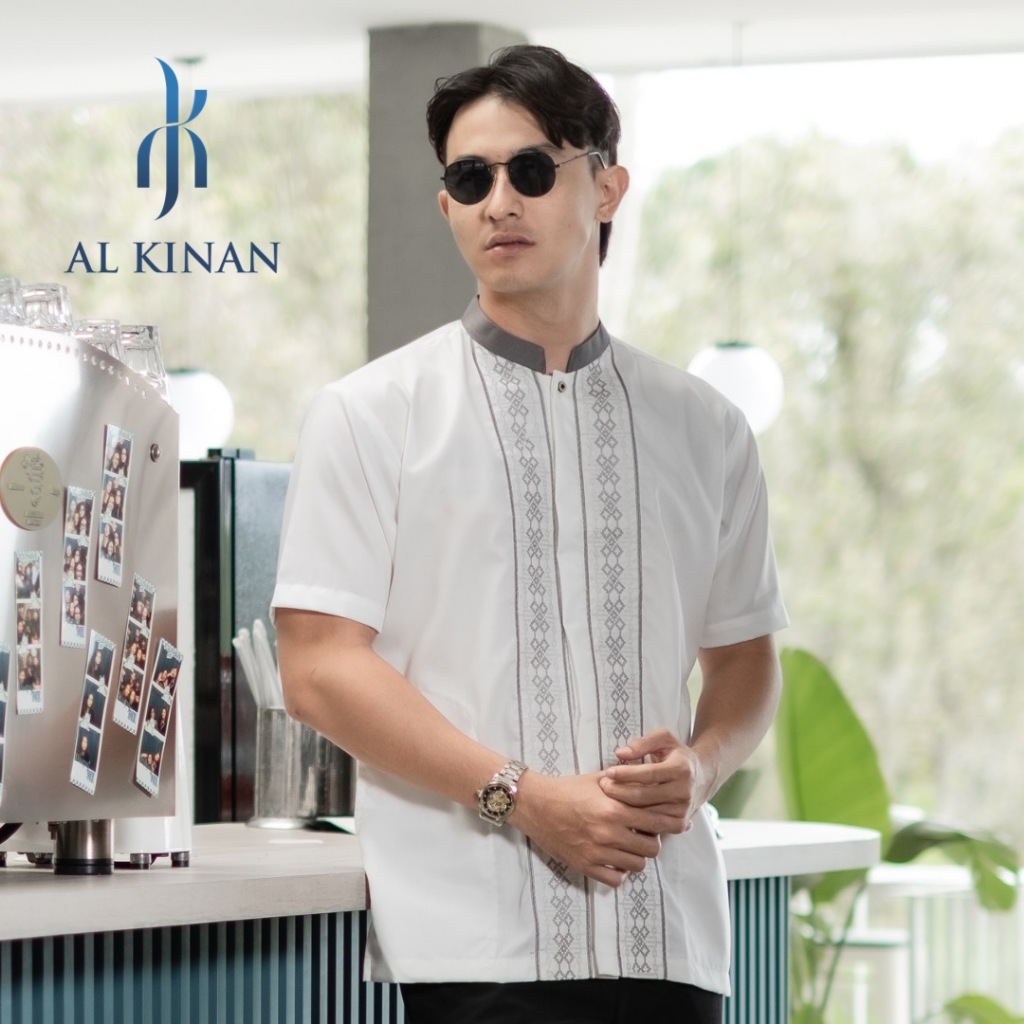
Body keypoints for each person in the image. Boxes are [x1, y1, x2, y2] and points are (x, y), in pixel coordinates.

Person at [272, 43, 787, 1024]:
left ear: (607, 187)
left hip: (669, 935)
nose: (499, 202)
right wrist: (526, 797)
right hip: (475, 942)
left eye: (532, 170)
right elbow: (319, 669)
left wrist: (701, 770)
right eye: (471, 179)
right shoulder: (371, 414)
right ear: (447, 206)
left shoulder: (706, 427)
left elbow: (745, 659)